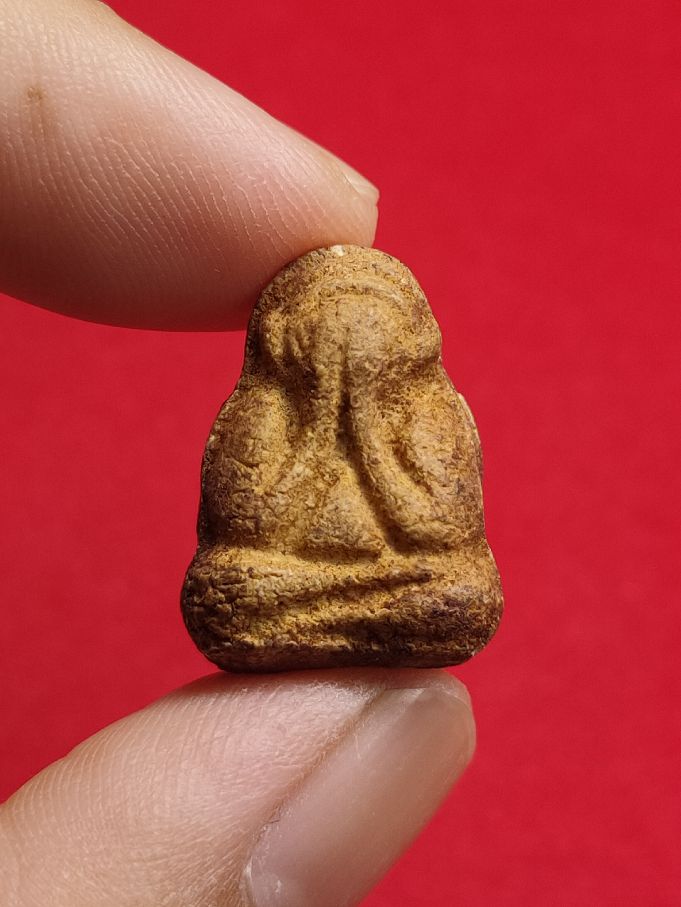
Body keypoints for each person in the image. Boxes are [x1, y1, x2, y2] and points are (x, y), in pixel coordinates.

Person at [0, 2, 476, 905]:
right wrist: (322, 415)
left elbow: (430, 529)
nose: (349, 353)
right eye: (329, 338)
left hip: (405, 580)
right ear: (289, 343)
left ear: (406, 344)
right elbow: (253, 527)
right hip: (277, 584)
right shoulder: (262, 413)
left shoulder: (430, 417)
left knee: (455, 600)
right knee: (233, 594)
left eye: (369, 339)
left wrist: (367, 429)